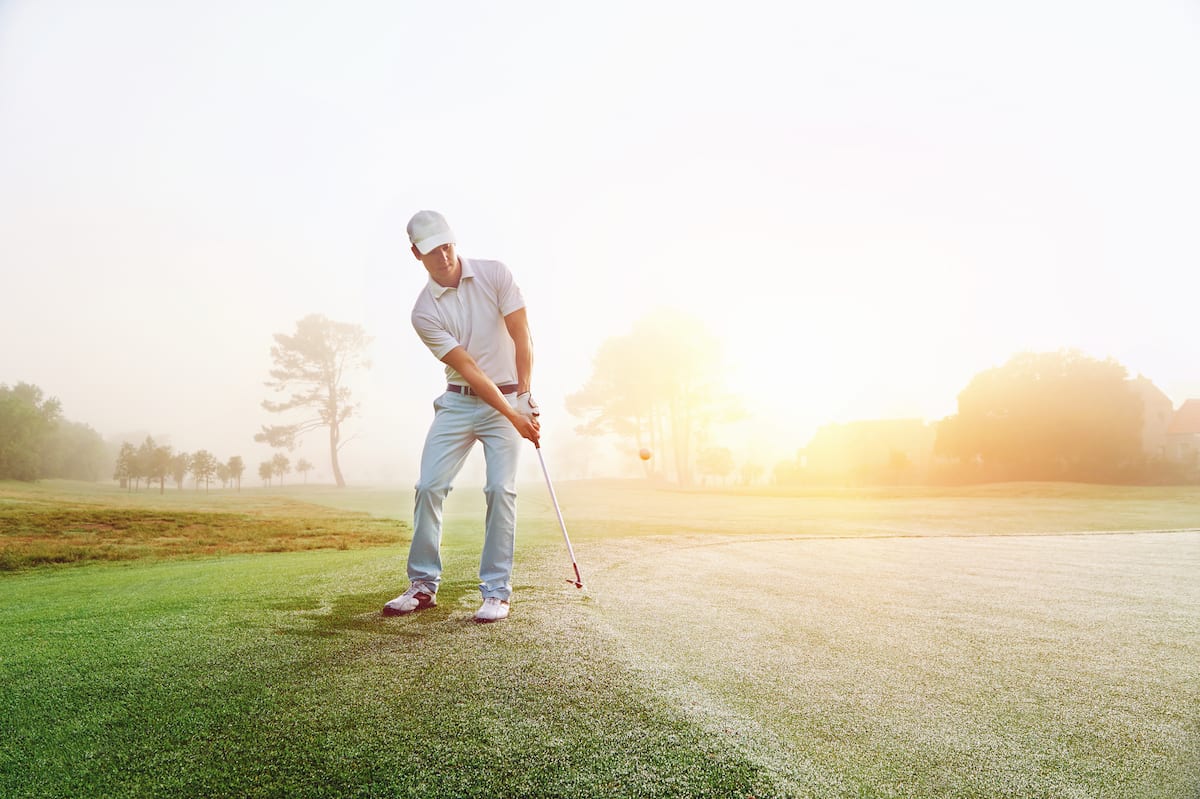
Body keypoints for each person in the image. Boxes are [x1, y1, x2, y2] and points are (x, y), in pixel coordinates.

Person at [383, 210, 541, 623]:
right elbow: (469, 367)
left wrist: (523, 395)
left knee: (499, 489)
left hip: (508, 395)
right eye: (433, 249)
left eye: (447, 244)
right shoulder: (423, 312)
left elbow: (521, 333)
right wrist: (514, 416)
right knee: (430, 486)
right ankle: (422, 587)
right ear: (416, 253)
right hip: (458, 403)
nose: (444, 255)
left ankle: (495, 592)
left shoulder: (495, 274)